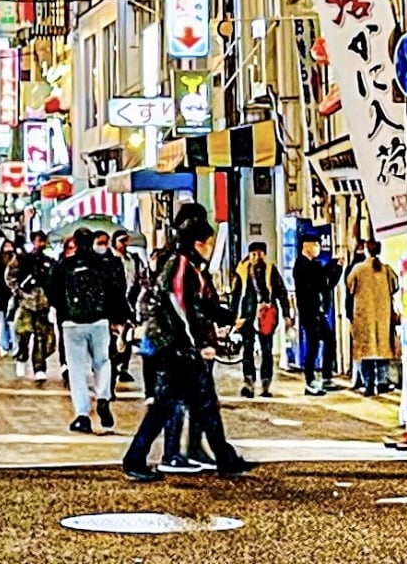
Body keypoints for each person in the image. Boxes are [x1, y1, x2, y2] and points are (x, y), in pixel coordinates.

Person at [121, 206, 250, 483]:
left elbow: (199, 304)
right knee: (171, 406)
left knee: (201, 404)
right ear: (197, 243)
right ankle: (136, 458)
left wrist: (226, 317)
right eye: (209, 243)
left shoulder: (189, 266)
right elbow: (179, 308)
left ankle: (225, 459)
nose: (211, 248)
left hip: (180, 347)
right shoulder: (180, 265)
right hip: (176, 349)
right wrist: (194, 343)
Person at [56, 226, 129, 434]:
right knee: (103, 361)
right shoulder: (104, 265)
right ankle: (104, 396)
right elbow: (116, 291)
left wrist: (63, 313)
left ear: (75, 243)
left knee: (77, 370)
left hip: (72, 324)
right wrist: (119, 318)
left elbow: (53, 292)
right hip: (100, 321)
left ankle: (82, 415)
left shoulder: (64, 265)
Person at [232, 238, 291, 399]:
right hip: (248, 315)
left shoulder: (271, 270)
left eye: (260, 253)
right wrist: (232, 317)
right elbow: (236, 295)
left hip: (267, 314)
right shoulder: (242, 271)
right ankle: (248, 383)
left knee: (267, 350)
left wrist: (286, 313)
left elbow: (281, 291)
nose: (257, 257)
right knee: (247, 350)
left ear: (265, 255)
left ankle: (266, 384)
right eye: (253, 253)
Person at [346, 240, 399, 396]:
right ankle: (382, 382)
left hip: (364, 316)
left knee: (366, 352)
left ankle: (369, 385)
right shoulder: (387, 270)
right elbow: (395, 286)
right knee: (383, 350)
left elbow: (350, 286)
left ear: (366, 251)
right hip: (384, 316)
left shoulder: (358, 269)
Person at [293, 229, 341, 394]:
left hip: (319, 311)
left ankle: (327, 377)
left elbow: (326, 284)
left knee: (329, 340)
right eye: (316, 246)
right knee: (313, 345)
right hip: (308, 311)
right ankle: (310, 381)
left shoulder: (314, 265)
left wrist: (338, 269)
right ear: (307, 246)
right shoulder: (301, 265)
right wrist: (331, 265)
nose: (318, 249)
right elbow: (317, 276)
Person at [13, 232, 57, 381]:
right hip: (26, 303)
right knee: (23, 335)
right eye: (38, 241)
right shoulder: (22, 259)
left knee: (41, 338)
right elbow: (10, 276)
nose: (41, 244)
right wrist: (18, 292)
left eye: (43, 241)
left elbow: (53, 282)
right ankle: (21, 358)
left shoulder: (49, 262)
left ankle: (39, 367)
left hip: (42, 304)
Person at [110, 230, 146, 388]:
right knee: (114, 338)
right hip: (114, 303)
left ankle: (123, 367)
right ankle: (113, 365)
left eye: (126, 241)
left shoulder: (133, 260)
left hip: (130, 302)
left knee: (129, 336)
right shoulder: (109, 261)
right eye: (121, 241)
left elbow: (140, 279)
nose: (124, 244)